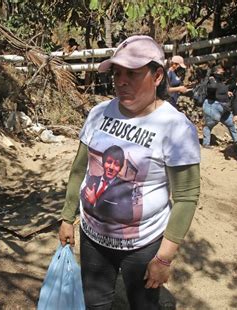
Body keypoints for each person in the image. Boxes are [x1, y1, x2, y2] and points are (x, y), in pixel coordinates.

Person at [58, 35, 201, 309]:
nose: (121, 81)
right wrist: (67, 217)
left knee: (143, 305)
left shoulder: (175, 127)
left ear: (157, 75)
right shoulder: (99, 113)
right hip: (93, 237)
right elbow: (79, 170)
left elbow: (186, 197)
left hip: (143, 246)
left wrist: (163, 259)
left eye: (132, 74)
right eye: (117, 72)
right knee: (93, 302)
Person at [81, 145, 133, 224]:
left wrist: (95, 202)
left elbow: (127, 216)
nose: (111, 167)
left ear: (120, 168)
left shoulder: (124, 188)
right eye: (109, 162)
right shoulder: (93, 179)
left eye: (116, 164)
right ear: (103, 163)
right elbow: (82, 197)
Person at [202, 65, 237, 148]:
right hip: (213, 106)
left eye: (222, 72)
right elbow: (213, 88)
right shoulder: (211, 81)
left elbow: (223, 89)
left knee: (231, 124)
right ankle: (206, 143)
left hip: (224, 108)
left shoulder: (220, 81)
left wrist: (228, 91)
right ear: (215, 72)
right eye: (220, 72)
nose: (222, 73)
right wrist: (211, 78)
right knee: (209, 125)